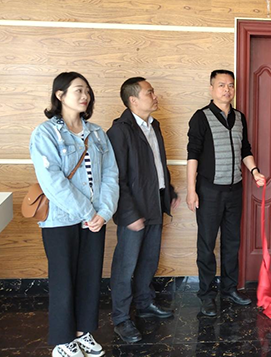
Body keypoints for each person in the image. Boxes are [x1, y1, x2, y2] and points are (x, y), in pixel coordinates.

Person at [29, 72, 119, 357]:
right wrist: (88, 212)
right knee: (63, 280)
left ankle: (83, 333)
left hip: (95, 220)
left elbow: (111, 175)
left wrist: (104, 212)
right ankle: (63, 340)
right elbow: (52, 181)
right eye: (78, 90)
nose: (85, 96)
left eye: (87, 91)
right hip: (61, 220)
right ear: (60, 95)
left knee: (90, 278)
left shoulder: (97, 133)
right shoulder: (45, 133)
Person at [186, 69, 266, 317]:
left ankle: (230, 288)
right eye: (221, 85)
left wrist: (255, 171)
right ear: (211, 88)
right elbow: (192, 155)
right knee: (207, 244)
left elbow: (245, 149)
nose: (227, 90)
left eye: (230, 85)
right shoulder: (201, 117)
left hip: (234, 190)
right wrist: (191, 190)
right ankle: (206, 294)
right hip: (208, 191)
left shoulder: (239, 117)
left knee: (232, 242)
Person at [107, 77, 179, 343]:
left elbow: (157, 164)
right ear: (133, 100)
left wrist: (169, 192)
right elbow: (116, 178)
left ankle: (145, 303)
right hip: (133, 209)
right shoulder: (119, 131)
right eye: (150, 92)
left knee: (149, 259)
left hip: (154, 201)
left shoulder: (153, 125)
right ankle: (121, 318)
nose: (155, 96)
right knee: (125, 265)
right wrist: (128, 214)